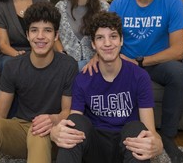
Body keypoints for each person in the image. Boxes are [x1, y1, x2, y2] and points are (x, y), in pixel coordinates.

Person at [0, 2, 78, 163]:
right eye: (34, 30)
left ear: (56, 35)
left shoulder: (68, 65)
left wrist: (53, 119)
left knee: (39, 132)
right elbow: (0, 111)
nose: (40, 36)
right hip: (21, 130)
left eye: (47, 30)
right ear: (27, 34)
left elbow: (68, 111)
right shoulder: (13, 66)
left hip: (51, 133)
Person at [106, 0, 183, 162]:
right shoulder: (118, 5)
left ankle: (168, 137)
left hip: (157, 63)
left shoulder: (172, 2)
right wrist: (123, 60)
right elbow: (106, 39)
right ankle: (122, 135)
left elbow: (178, 50)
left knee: (179, 73)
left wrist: (141, 61)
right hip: (125, 62)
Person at [50, 11, 163, 163]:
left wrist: (157, 143)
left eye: (113, 36)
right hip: (94, 149)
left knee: (137, 129)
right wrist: (57, 132)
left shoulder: (140, 76)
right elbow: (74, 120)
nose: (108, 43)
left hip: (126, 147)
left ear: (121, 40)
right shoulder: (83, 79)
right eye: (100, 38)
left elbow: (150, 132)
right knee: (75, 122)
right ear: (93, 44)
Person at [54, 0, 109, 70]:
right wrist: (62, 54)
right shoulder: (60, 7)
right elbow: (54, 36)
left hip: (96, 66)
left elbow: (108, 39)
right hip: (66, 66)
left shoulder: (103, 8)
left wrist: (97, 57)